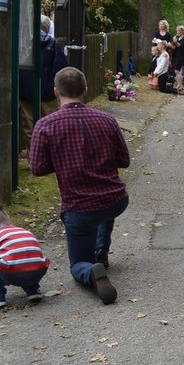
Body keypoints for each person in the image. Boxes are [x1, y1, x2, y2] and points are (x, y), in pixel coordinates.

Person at [29, 67, 130, 305]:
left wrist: (63, 160)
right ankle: (101, 250)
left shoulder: (45, 125)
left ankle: (90, 270)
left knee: (77, 264)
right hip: (114, 199)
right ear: (85, 90)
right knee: (103, 209)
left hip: (79, 207)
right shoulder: (107, 119)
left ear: (56, 92)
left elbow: (37, 168)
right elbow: (123, 160)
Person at [18, 15, 68, 149]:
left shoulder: (23, 43)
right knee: (52, 125)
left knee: (30, 127)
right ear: (46, 27)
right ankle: (52, 155)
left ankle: (34, 156)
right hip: (47, 93)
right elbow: (61, 68)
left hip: (25, 92)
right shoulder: (53, 44)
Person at [0, 209, 50, 308]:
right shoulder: (22, 230)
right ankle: (33, 290)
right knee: (26, 258)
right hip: (38, 269)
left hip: (13, 272)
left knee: (13, 260)